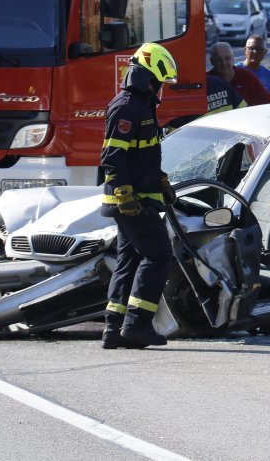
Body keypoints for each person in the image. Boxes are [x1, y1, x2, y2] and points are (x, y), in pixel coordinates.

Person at [100, 42, 178, 349]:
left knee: (129, 260)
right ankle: (137, 325)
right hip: (131, 202)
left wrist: (159, 180)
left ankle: (113, 328)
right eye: (158, 81)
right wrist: (123, 193)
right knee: (159, 255)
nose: (160, 88)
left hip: (140, 197)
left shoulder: (141, 106)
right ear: (147, 76)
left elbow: (139, 156)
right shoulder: (126, 107)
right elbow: (112, 155)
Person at [208, 42, 270, 106]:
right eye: (219, 60)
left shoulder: (247, 78)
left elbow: (267, 104)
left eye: (227, 58)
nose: (224, 63)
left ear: (233, 58)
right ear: (212, 61)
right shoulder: (206, 82)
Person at [236, 35, 270, 102]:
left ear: (265, 52)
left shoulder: (268, 75)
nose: (255, 52)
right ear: (245, 50)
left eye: (259, 49)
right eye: (252, 48)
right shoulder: (235, 70)